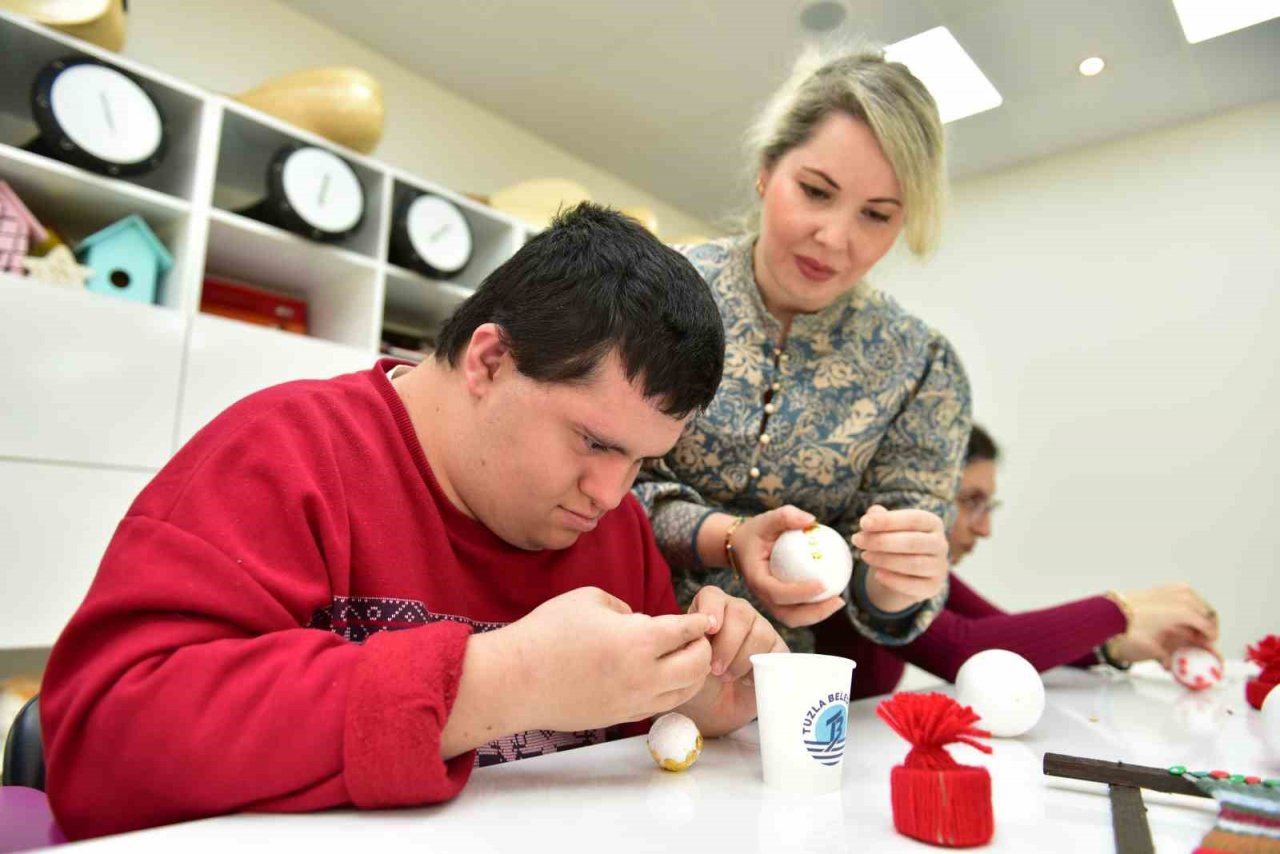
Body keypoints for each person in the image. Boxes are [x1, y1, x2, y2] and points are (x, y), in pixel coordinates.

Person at [40, 204, 786, 840]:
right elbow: (106, 743)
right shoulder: (282, 456)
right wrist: (500, 681)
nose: (609, 493)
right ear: (489, 361)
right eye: (593, 442)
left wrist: (695, 698)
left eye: (640, 464)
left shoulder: (616, 530)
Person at [634, 46, 969, 653]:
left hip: (768, 683)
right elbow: (587, 477)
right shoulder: (657, 291)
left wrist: (896, 581)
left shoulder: (920, 369)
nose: (835, 237)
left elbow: (887, 597)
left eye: (876, 215)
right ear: (767, 170)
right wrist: (730, 537)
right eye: (816, 191)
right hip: (607, 631)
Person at [817, 425, 1222, 699]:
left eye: (988, 505)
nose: (984, 528)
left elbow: (1006, 635)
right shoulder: (860, 561)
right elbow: (969, 650)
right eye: (971, 502)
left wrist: (1114, 648)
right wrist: (1122, 609)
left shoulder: (916, 573)